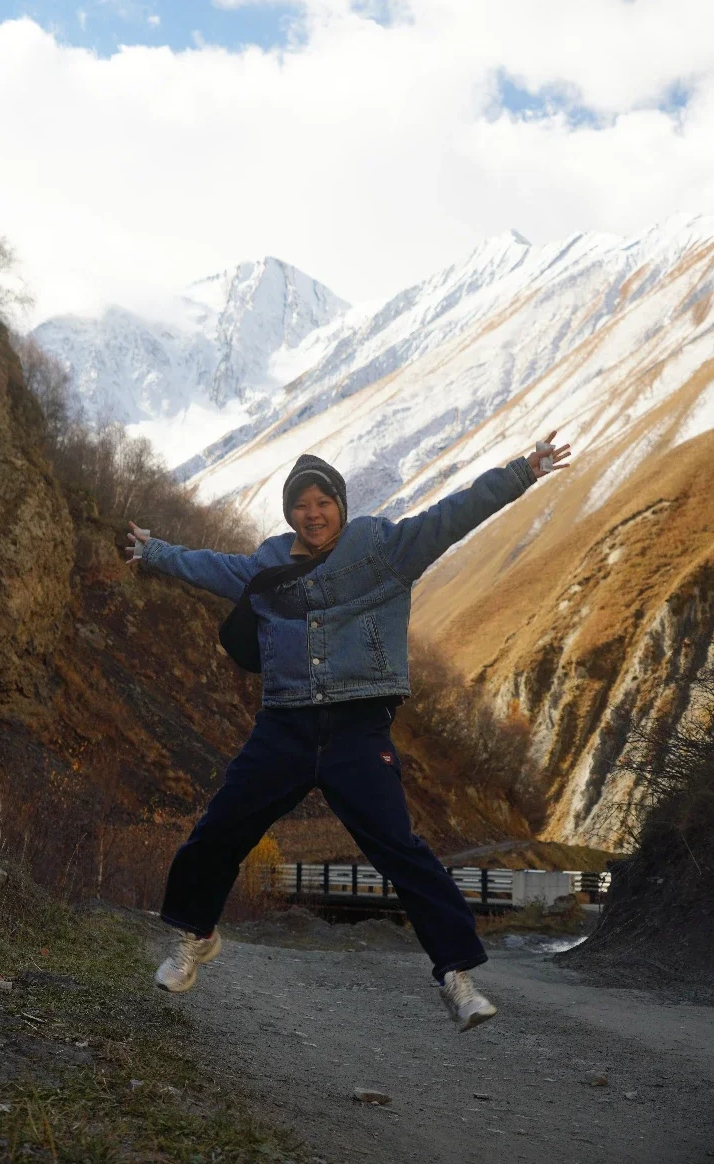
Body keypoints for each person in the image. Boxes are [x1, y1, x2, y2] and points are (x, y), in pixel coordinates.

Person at [126, 431, 570, 1031]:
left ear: (340, 505)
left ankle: (456, 976)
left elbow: (455, 513)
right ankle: (194, 939)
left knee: (399, 848)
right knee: (220, 829)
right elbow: (209, 567)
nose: (313, 514)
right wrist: (155, 553)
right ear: (290, 514)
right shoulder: (267, 567)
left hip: (358, 728)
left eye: (323, 501)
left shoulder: (384, 549)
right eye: (300, 505)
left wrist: (520, 472)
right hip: (284, 725)